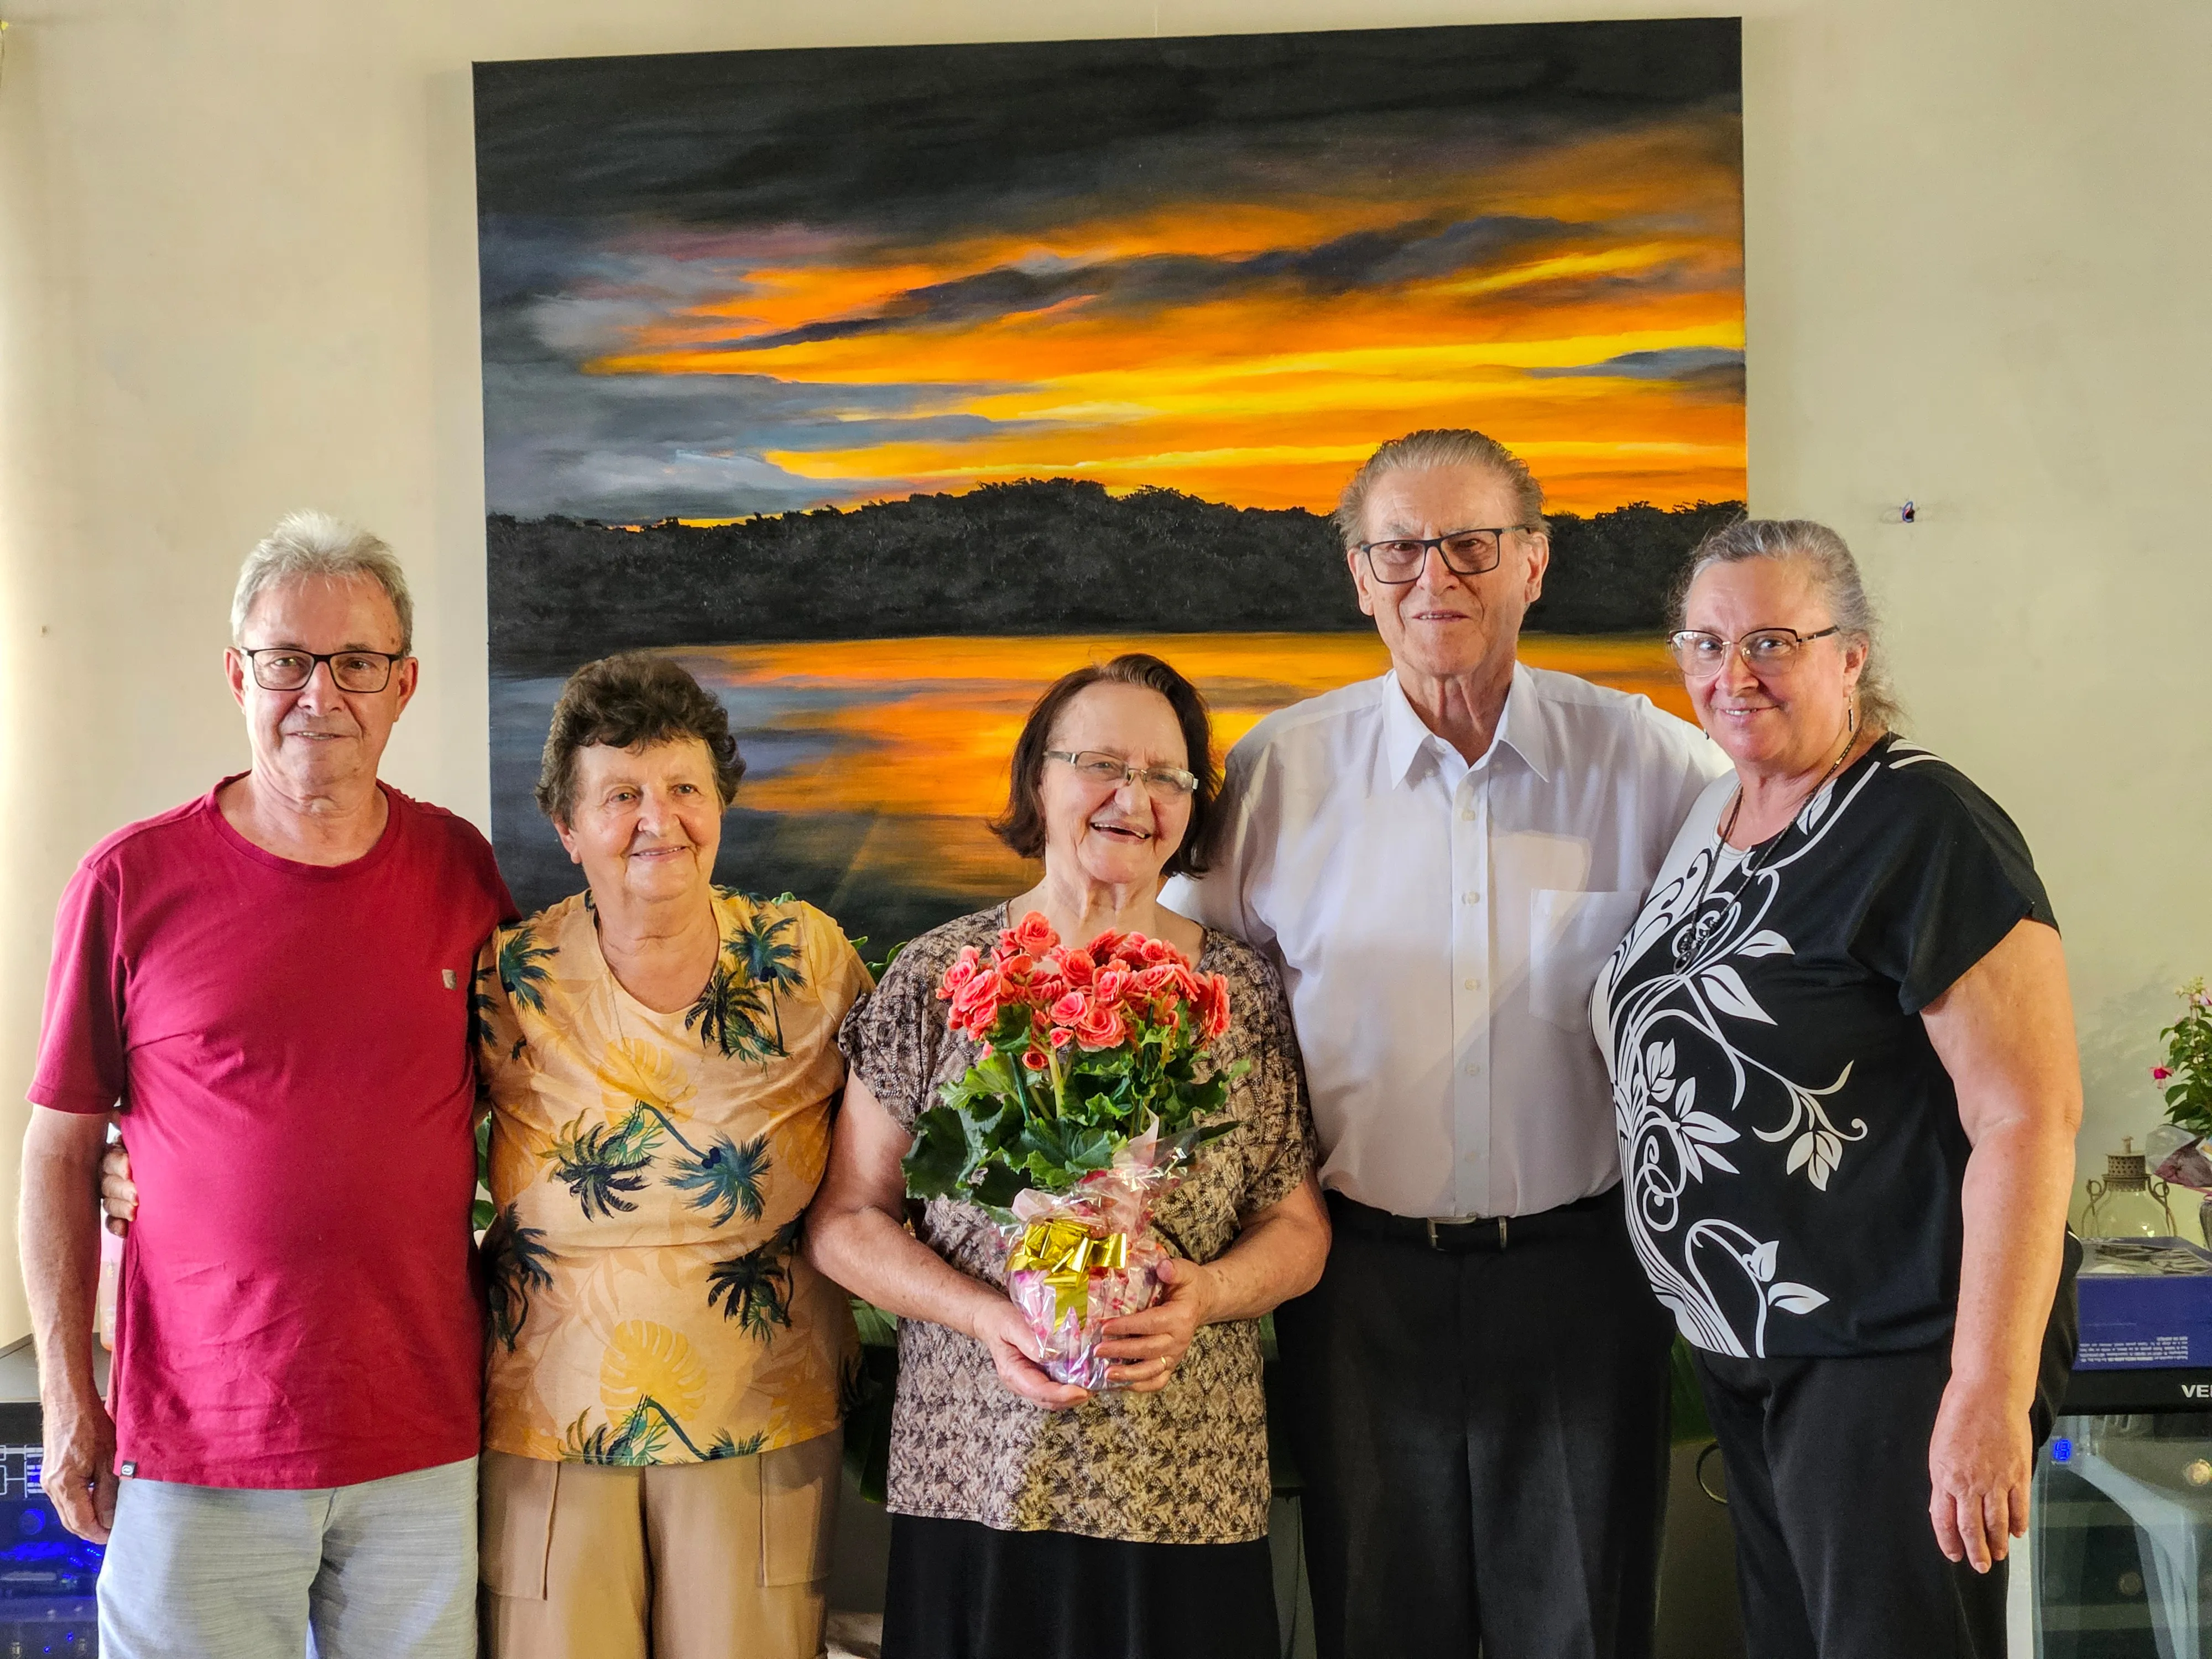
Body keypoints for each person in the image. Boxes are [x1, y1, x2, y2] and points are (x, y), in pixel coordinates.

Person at [1162, 429, 1730, 1659]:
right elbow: (1174, 990)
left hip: (1582, 1277)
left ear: (1533, 564)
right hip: (1359, 1283)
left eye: (1471, 544)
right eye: (1399, 549)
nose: (1437, 577)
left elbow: (1775, 932)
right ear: (1359, 578)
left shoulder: (1651, 764)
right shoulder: (1280, 772)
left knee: (1580, 1625)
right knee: (1376, 1620)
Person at [21, 512, 513, 1658]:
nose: (319, 694)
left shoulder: (461, 870)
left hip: (422, 1437)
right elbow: (54, 1148)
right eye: (287, 660)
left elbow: (524, 1093)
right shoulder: (129, 881)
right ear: (239, 676)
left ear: (404, 686)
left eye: (356, 664)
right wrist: (64, 1395)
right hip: (199, 1439)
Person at [1592, 519, 2079, 1657]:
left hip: (1895, 1350)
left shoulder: (1918, 822)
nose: (1732, 674)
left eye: (1771, 639)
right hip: (1757, 1352)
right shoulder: (1718, 819)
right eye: (1703, 644)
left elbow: (2026, 1115)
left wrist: (1983, 1393)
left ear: (1850, 655)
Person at [807, 653, 1329, 1659]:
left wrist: (1206, 1295)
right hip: (977, 1474)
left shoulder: (1237, 994)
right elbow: (845, 1221)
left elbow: (1298, 1231)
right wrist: (986, 1313)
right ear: (1036, 781)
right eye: (1101, 764)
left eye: (1168, 777)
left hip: (1184, 1483)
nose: (1134, 798)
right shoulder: (936, 977)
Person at [470, 653, 871, 1659]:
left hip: (765, 1410)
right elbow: (390, 1127)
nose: (662, 818)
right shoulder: (508, 978)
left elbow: (907, 1131)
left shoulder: (806, 959)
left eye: (686, 787)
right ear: (567, 830)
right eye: (622, 796)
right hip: (548, 1422)